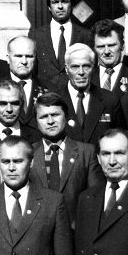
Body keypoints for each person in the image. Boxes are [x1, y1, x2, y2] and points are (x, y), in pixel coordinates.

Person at [30, 91, 99, 230]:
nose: (50, 121)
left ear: (66, 117)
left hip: (75, 231)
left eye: (55, 115)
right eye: (43, 117)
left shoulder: (86, 152)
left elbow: (95, 197)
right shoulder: (28, 153)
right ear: (36, 122)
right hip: (37, 232)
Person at [57, 42, 125, 146]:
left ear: (93, 68)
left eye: (86, 66)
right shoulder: (55, 101)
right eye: (75, 67)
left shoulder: (110, 100)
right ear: (66, 69)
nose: (81, 72)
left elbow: (120, 140)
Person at [33, 0, 93, 89]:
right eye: (55, 2)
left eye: (64, 2)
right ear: (49, 7)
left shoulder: (86, 35)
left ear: (72, 5)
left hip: (76, 92)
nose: (60, 6)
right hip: (46, 93)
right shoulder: (36, 35)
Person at [92, 20, 128, 126]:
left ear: (122, 46)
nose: (106, 51)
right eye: (100, 47)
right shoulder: (87, 80)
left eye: (112, 45)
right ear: (94, 49)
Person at [0, 78, 38, 149]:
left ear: (22, 105)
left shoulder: (36, 137)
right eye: (3, 104)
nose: (9, 109)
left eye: (15, 103)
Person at [6, 34, 39, 125]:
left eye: (29, 56)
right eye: (18, 56)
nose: (24, 61)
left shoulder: (50, 88)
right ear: (8, 58)